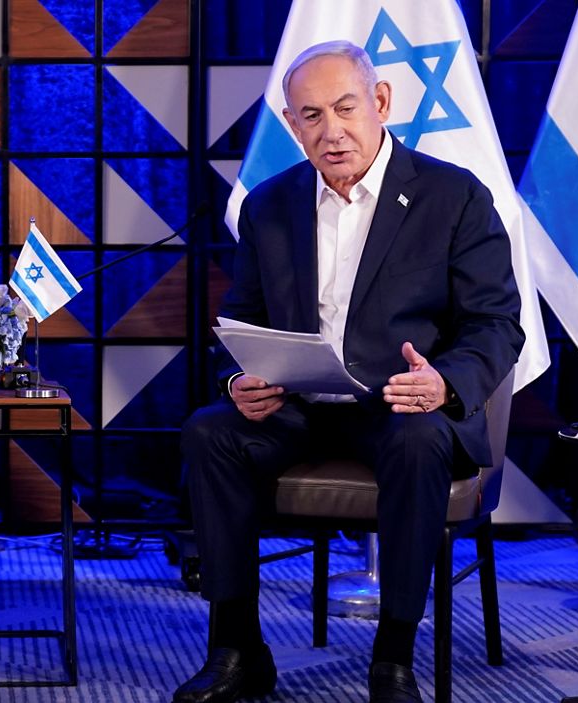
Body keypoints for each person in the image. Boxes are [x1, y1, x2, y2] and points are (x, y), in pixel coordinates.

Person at [174, 41, 523, 703]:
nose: (331, 131)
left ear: (380, 102)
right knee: (209, 432)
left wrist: (444, 383)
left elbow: (497, 322)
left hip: (401, 408)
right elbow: (241, 321)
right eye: (311, 116)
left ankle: (393, 659)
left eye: (345, 108)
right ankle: (237, 648)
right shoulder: (269, 205)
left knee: (419, 442)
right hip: (299, 406)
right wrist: (240, 380)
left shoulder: (453, 197)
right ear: (291, 124)